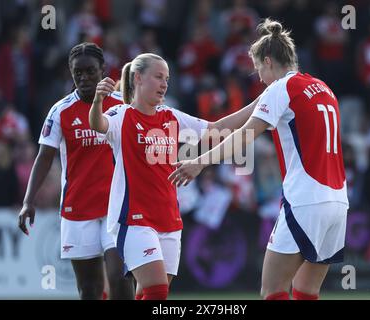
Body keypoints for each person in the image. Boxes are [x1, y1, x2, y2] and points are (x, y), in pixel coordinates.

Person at [169, 18, 349, 300]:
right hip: (337, 201)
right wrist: (200, 131)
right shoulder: (321, 88)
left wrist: (200, 162)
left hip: (305, 199)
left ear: (267, 61)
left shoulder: (281, 90)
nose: (259, 78)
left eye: (258, 71)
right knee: (306, 290)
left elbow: (243, 135)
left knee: (272, 290)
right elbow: (228, 123)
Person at [89, 53, 259, 300]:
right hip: (134, 219)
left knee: (151, 293)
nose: (164, 84)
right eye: (158, 77)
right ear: (137, 78)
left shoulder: (171, 116)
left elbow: (216, 129)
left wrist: (260, 103)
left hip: (168, 218)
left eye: (167, 79)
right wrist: (97, 101)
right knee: (156, 290)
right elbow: (98, 125)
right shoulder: (122, 115)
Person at [18, 42, 135, 300]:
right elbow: (44, 156)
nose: (84, 78)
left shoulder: (122, 106)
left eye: (90, 71)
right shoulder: (60, 111)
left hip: (116, 208)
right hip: (77, 210)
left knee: (119, 278)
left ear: (103, 69)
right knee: (89, 288)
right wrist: (28, 200)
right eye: (77, 73)